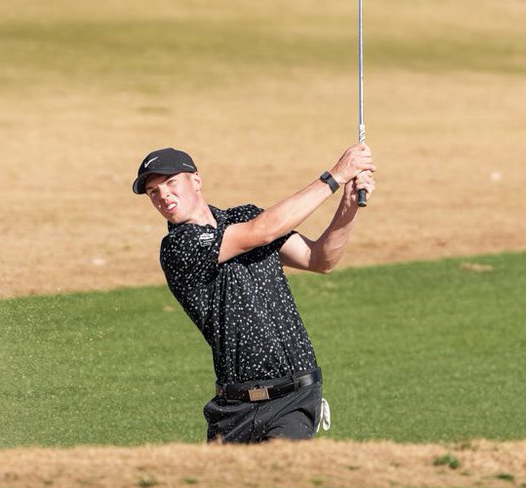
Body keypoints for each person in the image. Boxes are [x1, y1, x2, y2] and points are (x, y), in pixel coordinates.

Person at [132, 143, 375, 444]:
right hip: (233, 410)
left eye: (170, 183)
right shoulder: (179, 247)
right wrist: (335, 176)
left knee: (279, 473)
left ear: (196, 181)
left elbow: (320, 259)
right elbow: (261, 233)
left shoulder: (245, 216)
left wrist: (348, 204)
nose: (163, 195)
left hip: (294, 399)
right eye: (153, 191)